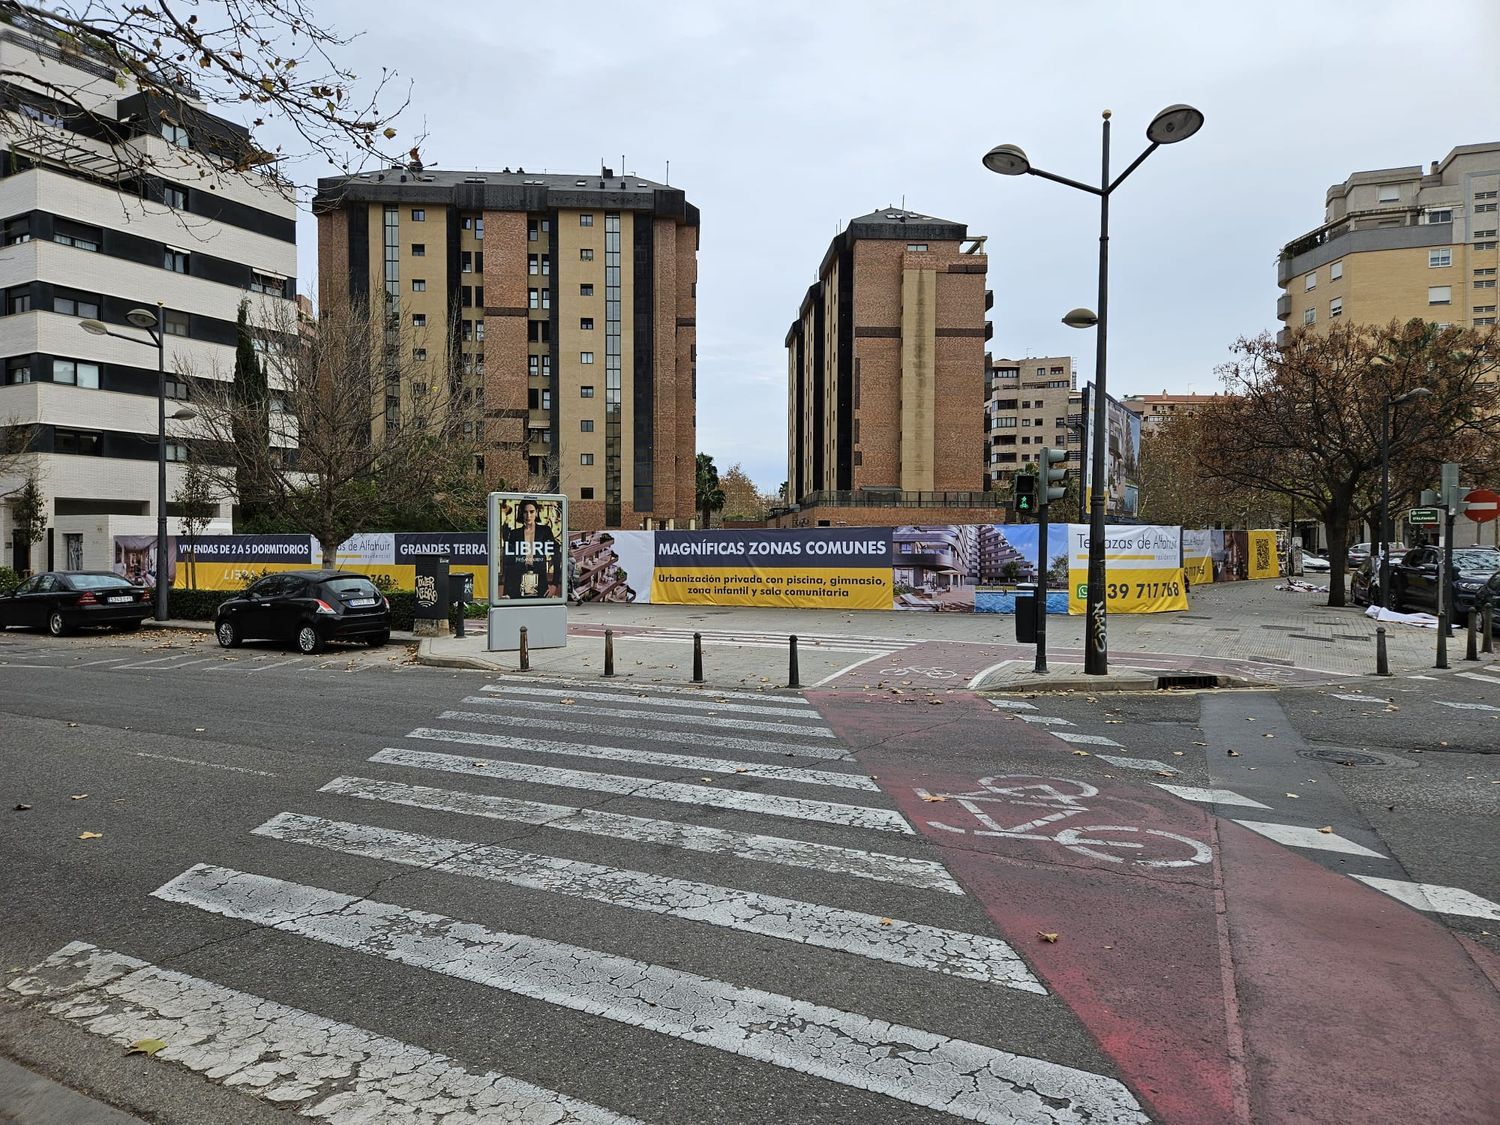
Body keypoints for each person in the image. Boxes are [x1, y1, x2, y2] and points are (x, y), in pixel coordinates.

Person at [501, 497, 560, 599]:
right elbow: (509, 563)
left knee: (539, 607)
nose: (528, 516)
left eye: (531, 512)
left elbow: (556, 557)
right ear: (521, 513)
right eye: (525, 512)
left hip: (540, 580)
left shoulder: (544, 531)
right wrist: (506, 591)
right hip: (517, 581)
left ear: (536, 512)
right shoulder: (515, 534)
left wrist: (555, 584)